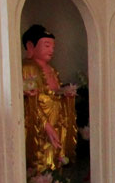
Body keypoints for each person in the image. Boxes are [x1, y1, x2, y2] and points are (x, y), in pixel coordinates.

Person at [22, 24, 77, 173]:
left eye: (53, 46)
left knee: (56, 161)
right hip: (40, 126)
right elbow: (29, 102)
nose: (51, 50)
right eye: (46, 45)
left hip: (57, 121)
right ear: (30, 46)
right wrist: (46, 125)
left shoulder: (52, 69)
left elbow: (54, 94)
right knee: (41, 164)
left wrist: (66, 95)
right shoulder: (28, 67)